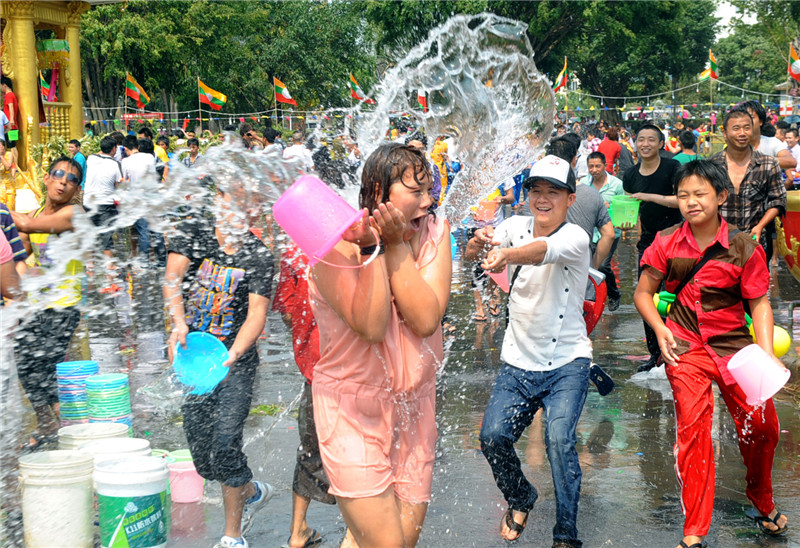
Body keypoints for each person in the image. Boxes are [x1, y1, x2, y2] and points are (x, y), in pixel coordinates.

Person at [633, 159, 789, 548]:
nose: (691, 202)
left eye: (700, 194)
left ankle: (762, 499)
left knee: (763, 427)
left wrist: (767, 355)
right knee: (693, 433)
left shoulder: (744, 246)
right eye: (683, 195)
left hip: (736, 348)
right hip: (685, 349)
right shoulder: (666, 241)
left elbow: (760, 304)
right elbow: (642, 293)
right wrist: (660, 328)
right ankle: (695, 529)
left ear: (720, 197)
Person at [309, 142, 451, 547]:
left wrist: (396, 244)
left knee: (399, 543)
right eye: (416, 192)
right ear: (377, 193)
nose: (429, 201)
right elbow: (371, 326)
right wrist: (375, 246)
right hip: (353, 409)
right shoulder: (335, 242)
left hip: (414, 409)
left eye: (430, 190)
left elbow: (425, 319)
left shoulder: (434, 232)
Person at [467, 155, 592, 548]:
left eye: (552, 192)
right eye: (535, 190)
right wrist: (478, 243)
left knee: (558, 441)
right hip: (518, 361)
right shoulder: (511, 225)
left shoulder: (576, 237)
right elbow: (473, 255)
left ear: (569, 198)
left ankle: (566, 533)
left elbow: (542, 251)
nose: (542, 198)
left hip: (568, 361)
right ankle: (520, 495)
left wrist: (506, 255)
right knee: (492, 438)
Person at [164, 184, 276, 548]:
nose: (237, 208)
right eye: (231, 197)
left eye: (247, 201)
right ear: (218, 199)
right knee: (204, 460)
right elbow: (172, 279)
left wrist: (237, 352)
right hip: (195, 360)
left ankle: (232, 537)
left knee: (226, 445)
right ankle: (249, 488)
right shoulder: (196, 233)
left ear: (254, 210)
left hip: (235, 363)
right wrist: (178, 324)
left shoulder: (258, 255)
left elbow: (257, 313)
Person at [11, 157, 84, 450]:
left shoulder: (74, 213)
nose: (63, 181)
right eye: (57, 174)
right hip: (36, 305)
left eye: (72, 179)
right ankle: (48, 426)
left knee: (44, 367)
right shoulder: (37, 212)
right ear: (46, 178)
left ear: (76, 189)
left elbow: (27, 224)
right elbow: (21, 251)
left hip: (64, 306)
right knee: (26, 366)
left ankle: (74, 428)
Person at [272, 242, 337, 548]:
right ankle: (355, 534)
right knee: (358, 449)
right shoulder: (357, 243)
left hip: (315, 366)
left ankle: (298, 530)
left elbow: (286, 310)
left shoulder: (295, 248)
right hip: (354, 366)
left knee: (311, 448)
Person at [623, 123, 682, 372]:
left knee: (677, 298)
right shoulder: (631, 175)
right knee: (647, 298)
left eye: (651, 140)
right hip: (648, 244)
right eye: (640, 140)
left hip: (678, 240)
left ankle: (681, 349)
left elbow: (683, 199)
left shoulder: (672, 168)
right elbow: (629, 207)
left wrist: (648, 197)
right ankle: (655, 354)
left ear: (661, 144)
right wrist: (625, 222)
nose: (645, 144)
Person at [708, 108, 785, 252]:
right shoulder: (712, 164)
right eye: (736, 128)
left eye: (747, 128)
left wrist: (760, 226)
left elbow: (778, 201)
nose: (742, 133)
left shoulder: (768, 164)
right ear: (725, 133)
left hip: (755, 242)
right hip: (719, 243)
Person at [581, 151, 625, 310]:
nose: (594, 169)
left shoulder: (617, 184)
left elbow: (623, 206)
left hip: (610, 232)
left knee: (603, 266)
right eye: (591, 166)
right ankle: (590, 300)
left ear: (605, 166)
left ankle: (614, 294)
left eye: (597, 166)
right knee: (588, 266)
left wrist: (609, 206)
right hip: (589, 232)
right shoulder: (583, 184)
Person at [84, 135, 122, 261]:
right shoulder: (115, 164)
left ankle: (90, 264)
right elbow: (118, 186)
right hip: (106, 203)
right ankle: (109, 266)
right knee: (107, 235)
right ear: (113, 149)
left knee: (90, 234)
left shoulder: (90, 158)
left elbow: (98, 153)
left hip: (89, 201)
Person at [0, 139, 18, 210]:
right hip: (1, 186)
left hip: (9, 186)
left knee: (10, 208)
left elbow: (8, 166)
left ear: (3, 146)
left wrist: (1, 157)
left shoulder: (9, 154)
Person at [1, 76, 19, 146]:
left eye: (0, 86)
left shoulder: (9, 95)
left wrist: (11, 120)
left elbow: (11, 107)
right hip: (12, 126)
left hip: (10, 126)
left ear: (4, 85)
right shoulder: (12, 95)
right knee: (12, 146)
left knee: (11, 147)